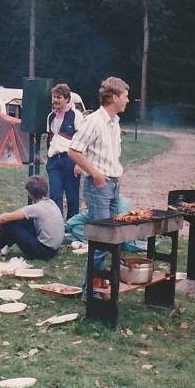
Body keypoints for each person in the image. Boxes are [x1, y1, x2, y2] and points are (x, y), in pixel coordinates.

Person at [69, 76, 130, 299]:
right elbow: (74, 150)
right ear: (114, 97)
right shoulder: (94, 121)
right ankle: (89, 291)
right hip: (99, 187)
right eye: (125, 96)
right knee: (102, 240)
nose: (128, 100)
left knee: (112, 238)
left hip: (114, 185)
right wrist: (94, 173)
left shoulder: (115, 122)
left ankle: (101, 286)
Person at [0, 175, 63, 260]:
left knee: (10, 224)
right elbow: (18, 213)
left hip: (43, 252)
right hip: (53, 249)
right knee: (21, 219)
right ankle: (5, 246)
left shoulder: (36, 208)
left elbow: (5, 219)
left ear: (30, 194)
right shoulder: (51, 203)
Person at [46, 83, 83, 218]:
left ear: (66, 99)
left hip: (71, 160)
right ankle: (57, 225)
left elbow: (82, 140)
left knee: (72, 195)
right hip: (54, 161)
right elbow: (50, 138)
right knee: (55, 194)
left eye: (59, 97)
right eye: (54, 97)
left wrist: (79, 163)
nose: (55, 100)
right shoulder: (50, 117)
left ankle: (71, 226)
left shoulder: (76, 115)